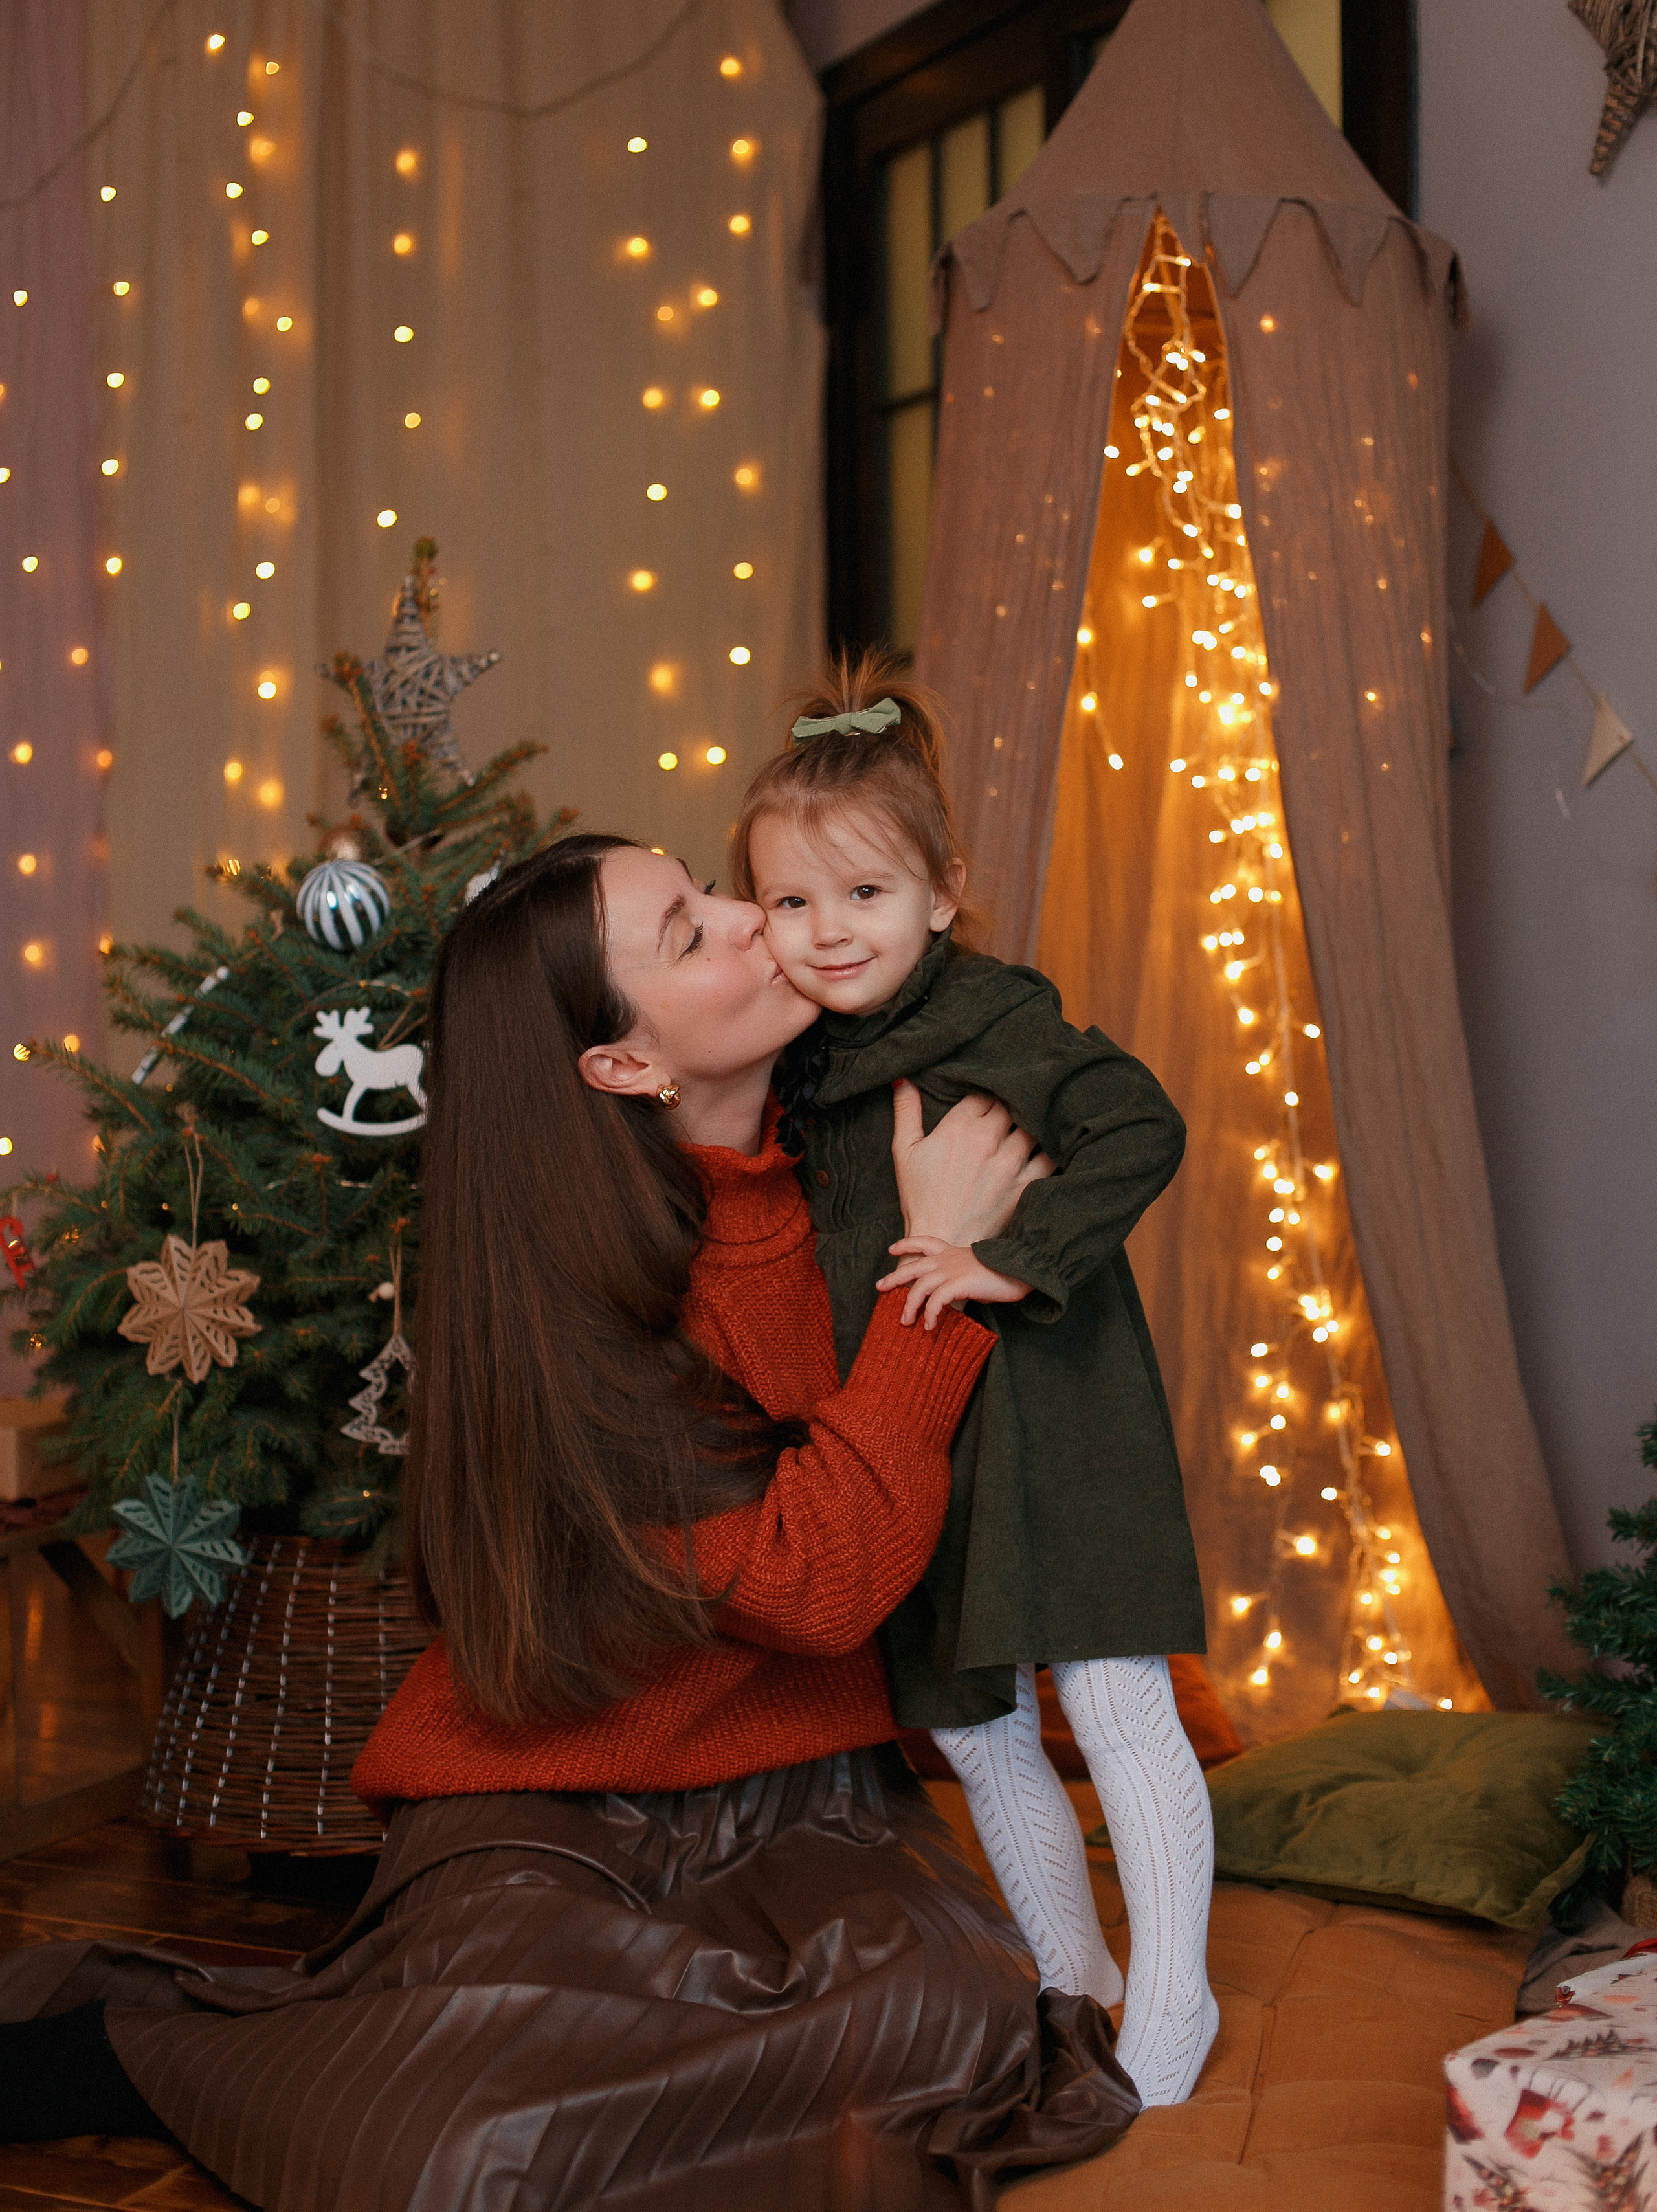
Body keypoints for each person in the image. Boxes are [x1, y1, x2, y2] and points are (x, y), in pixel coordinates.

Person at [0, 832, 1138, 2209]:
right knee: (456, 2152)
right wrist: (931, 1291)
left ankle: (426, 2045)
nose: (748, 921)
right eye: (687, 931)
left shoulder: (872, 1162)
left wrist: (947, 1248)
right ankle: (148, 2055)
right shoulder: (568, 1303)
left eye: (713, 893)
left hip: (805, 1807)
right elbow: (816, 1582)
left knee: (955, 2022)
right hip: (544, 1800)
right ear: (623, 1065)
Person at [731, 659, 1219, 2110]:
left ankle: (1173, 2008)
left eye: (864, 896)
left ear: (943, 892)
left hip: (1053, 1423)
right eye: (790, 903)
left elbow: (1138, 1119)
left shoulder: (1000, 1015)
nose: (827, 935)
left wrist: (1015, 1250)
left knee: (1112, 1693)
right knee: (963, 1709)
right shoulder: (799, 1058)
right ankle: (1071, 1976)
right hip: (914, 1433)